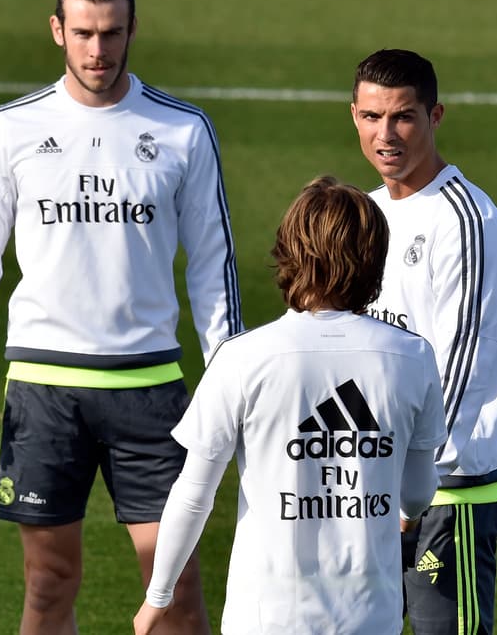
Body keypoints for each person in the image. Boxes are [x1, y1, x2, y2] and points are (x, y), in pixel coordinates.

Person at [0, 0, 242, 635]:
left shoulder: (182, 130)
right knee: (48, 585)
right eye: (85, 33)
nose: (99, 50)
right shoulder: (12, 130)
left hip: (150, 388)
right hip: (44, 390)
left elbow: (213, 260)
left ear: (132, 31)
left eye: (113, 33)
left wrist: (228, 373)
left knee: (175, 588)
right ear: (57, 30)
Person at [134, 176, 446, 635]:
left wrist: (157, 598)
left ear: (289, 252)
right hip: (371, 615)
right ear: (374, 260)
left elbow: (193, 495)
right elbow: (419, 492)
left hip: (266, 617)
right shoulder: (413, 358)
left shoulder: (243, 357)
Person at [351, 48, 497, 634]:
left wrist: (407, 484)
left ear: (435, 116)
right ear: (353, 116)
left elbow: (461, 369)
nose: (386, 134)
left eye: (402, 117)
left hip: (450, 489)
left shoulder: (467, 223)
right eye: (372, 117)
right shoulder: (365, 215)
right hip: (371, 483)